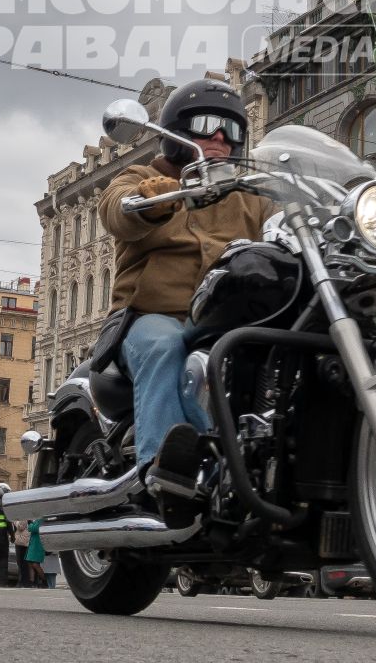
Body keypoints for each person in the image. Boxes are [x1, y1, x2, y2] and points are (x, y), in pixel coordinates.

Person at [99, 79, 273, 517]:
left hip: (225, 318)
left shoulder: (251, 197)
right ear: (177, 132)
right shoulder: (145, 177)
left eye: (231, 130)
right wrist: (147, 200)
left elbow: (288, 223)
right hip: (154, 314)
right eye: (207, 126)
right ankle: (162, 474)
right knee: (164, 347)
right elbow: (114, 207)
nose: (219, 137)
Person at [25, 517, 46, 589]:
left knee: (35, 564)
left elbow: (34, 528)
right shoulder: (37, 519)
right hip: (33, 544)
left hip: (38, 544)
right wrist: (31, 525)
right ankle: (32, 582)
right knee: (30, 563)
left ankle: (44, 581)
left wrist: (30, 524)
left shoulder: (41, 519)